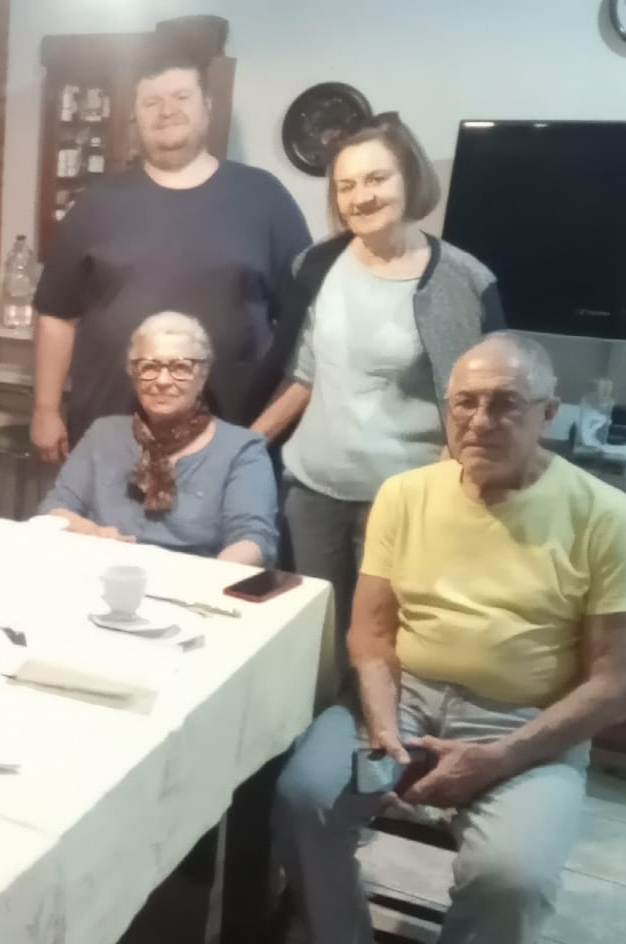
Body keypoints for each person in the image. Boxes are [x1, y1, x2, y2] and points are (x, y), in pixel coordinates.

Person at [271, 334, 626, 944]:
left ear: (549, 414)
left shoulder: (608, 517)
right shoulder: (406, 495)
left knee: (514, 877)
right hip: (400, 699)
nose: (479, 420)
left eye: (505, 404)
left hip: (527, 726)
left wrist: (499, 759)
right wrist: (383, 728)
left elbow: (613, 685)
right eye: (465, 402)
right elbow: (371, 635)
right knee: (305, 798)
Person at [250, 115, 505, 632]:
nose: (360, 197)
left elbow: (480, 407)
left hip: (400, 504)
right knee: (313, 638)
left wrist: (431, 498)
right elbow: (304, 374)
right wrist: (240, 448)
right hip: (310, 495)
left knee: (379, 641)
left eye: (376, 179)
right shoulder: (316, 266)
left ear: (409, 177)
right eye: (346, 186)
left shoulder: (462, 281)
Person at [30, 40, 310, 461]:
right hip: (111, 439)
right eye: (151, 102)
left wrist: (266, 431)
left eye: (181, 96)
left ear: (207, 106)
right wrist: (45, 409)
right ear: (134, 116)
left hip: (228, 442)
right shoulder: (96, 204)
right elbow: (56, 313)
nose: (166, 111)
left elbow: (304, 326)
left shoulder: (264, 199)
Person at [39, 312, 278, 566]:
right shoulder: (102, 434)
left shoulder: (241, 449)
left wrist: (210, 576)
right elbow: (55, 507)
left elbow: (254, 538)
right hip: (106, 572)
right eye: (149, 367)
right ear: (134, 374)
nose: (162, 381)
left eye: (180, 368)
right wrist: (91, 533)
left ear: (202, 375)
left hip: (194, 580)